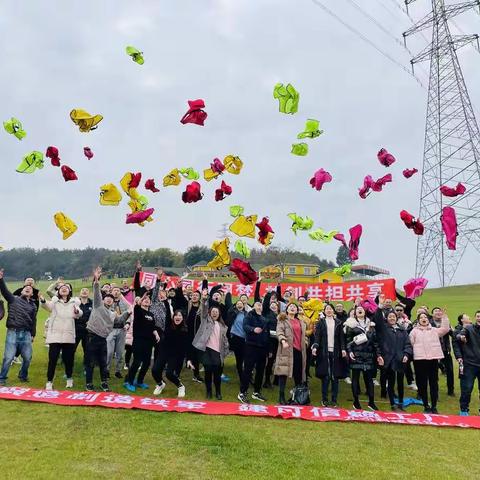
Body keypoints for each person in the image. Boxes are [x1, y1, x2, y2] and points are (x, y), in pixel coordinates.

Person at [85, 267, 131, 392]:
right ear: (103, 299)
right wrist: (96, 279)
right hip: (92, 336)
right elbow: (96, 290)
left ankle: (104, 383)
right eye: (107, 297)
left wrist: (129, 311)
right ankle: (89, 383)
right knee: (90, 362)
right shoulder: (97, 305)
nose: (109, 299)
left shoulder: (112, 313)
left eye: (111, 298)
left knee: (103, 363)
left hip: (103, 339)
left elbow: (120, 320)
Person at [374, 296, 413, 411]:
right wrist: (380, 307)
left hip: (401, 359)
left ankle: (400, 403)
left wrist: (406, 354)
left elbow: (408, 345)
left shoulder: (402, 330)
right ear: (387, 318)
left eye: (393, 317)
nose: (392, 318)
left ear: (396, 318)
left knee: (400, 383)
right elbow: (377, 319)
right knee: (390, 383)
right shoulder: (383, 329)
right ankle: (392, 404)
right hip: (389, 360)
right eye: (390, 316)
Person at [40, 283, 81, 390]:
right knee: (52, 359)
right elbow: (47, 306)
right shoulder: (55, 301)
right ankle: (49, 381)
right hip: (55, 335)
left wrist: (77, 311)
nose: (64, 289)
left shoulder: (74, 301)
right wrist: (43, 300)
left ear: (69, 291)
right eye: (62, 288)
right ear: (58, 291)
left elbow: (78, 313)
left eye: (66, 288)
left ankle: (69, 378)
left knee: (68, 360)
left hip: (68, 335)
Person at [409, 309, 450, 413]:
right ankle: (426, 405)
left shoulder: (434, 330)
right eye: (421, 318)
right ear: (418, 320)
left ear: (428, 319)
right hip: (419, 360)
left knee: (433, 383)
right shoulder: (414, 331)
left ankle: (434, 406)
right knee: (422, 383)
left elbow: (445, 329)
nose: (424, 319)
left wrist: (444, 317)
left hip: (433, 360)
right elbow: (411, 343)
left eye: (426, 317)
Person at [0, 269, 37, 385]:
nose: (27, 288)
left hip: (26, 333)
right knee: (9, 357)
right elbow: (4, 291)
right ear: (21, 291)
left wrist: (33, 334)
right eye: (25, 288)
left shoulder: (33, 306)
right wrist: (1, 279)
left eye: (30, 289)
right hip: (12, 332)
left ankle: (23, 375)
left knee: (27, 357)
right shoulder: (13, 299)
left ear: (31, 294)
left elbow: (34, 321)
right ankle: (2, 378)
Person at [192, 290, 229, 399]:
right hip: (206, 349)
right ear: (210, 313)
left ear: (219, 314)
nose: (214, 313)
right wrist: (203, 299)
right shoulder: (206, 320)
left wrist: (225, 351)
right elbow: (203, 310)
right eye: (212, 311)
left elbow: (225, 341)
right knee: (208, 369)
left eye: (216, 312)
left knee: (217, 373)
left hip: (217, 351)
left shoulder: (223, 326)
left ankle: (218, 392)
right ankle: (209, 392)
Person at [312, 304, 348, 407]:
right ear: (324, 311)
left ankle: (334, 399)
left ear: (333, 311)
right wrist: (315, 346)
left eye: (330, 309)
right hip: (324, 352)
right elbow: (317, 337)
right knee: (326, 377)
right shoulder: (321, 323)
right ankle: (324, 399)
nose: (329, 311)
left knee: (335, 377)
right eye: (327, 309)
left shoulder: (338, 323)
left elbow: (341, 338)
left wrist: (343, 349)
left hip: (336, 352)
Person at [344, 305, 380, 410]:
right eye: (357, 309)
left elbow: (375, 342)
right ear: (355, 312)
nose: (360, 310)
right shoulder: (351, 324)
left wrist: (378, 355)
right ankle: (356, 402)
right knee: (355, 378)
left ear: (365, 312)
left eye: (362, 309)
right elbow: (348, 341)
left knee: (369, 379)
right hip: (356, 354)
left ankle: (371, 402)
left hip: (369, 355)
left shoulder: (371, 324)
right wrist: (350, 351)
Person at [125, 293, 159, 392]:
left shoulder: (151, 314)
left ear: (150, 303)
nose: (147, 300)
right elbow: (137, 306)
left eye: (148, 300)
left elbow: (152, 327)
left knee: (147, 363)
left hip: (149, 341)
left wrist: (156, 333)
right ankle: (129, 382)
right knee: (137, 361)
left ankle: (140, 381)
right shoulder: (138, 310)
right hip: (139, 340)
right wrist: (142, 297)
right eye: (145, 300)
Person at [274, 305, 307, 405]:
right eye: (290, 307)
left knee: (298, 374)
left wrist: (306, 341)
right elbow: (279, 332)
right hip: (287, 350)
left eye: (294, 307)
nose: (293, 308)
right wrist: (283, 341)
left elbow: (303, 335)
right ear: (287, 310)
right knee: (283, 373)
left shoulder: (300, 322)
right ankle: (281, 396)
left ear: (297, 310)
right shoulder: (282, 320)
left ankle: (297, 397)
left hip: (299, 351)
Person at [151, 310, 189, 397]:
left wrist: (187, 358)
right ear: (173, 317)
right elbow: (168, 313)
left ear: (183, 318)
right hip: (164, 351)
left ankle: (180, 386)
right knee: (155, 370)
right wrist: (165, 301)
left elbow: (185, 346)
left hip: (175, 354)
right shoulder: (168, 325)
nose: (177, 317)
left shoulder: (185, 330)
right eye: (176, 315)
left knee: (169, 374)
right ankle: (160, 384)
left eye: (180, 316)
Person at [238, 301, 269, 403]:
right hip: (251, 346)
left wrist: (269, 349)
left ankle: (256, 392)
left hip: (263, 348)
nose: (260, 306)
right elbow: (245, 326)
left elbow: (267, 334)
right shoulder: (249, 315)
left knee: (260, 371)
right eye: (257, 304)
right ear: (253, 306)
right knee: (248, 370)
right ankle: (242, 392)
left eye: (261, 304)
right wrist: (253, 329)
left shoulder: (264, 318)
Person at [456, 311, 480, 415]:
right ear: (475, 318)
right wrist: (461, 337)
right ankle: (464, 409)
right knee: (467, 388)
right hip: (470, 364)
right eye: (478, 316)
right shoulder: (469, 328)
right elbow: (460, 335)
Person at [107, 286, 131, 378]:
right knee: (109, 352)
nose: (116, 292)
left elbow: (129, 313)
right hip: (111, 329)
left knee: (120, 352)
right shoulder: (108, 302)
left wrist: (128, 323)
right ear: (111, 292)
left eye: (118, 290)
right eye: (114, 290)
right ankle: (107, 370)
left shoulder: (124, 303)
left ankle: (118, 371)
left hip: (122, 329)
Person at [431, 306, 455, 396]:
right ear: (432, 314)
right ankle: (435, 391)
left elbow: (453, 334)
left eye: (439, 311)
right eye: (435, 311)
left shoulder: (446, 323)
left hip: (445, 350)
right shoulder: (429, 323)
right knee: (433, 372)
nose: (438, 312)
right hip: (433, 351)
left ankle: (451, 390)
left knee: (450, 371)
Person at [226, 298, 247, 382]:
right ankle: (242, 378)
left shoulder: (247, 314)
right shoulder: (232, 313)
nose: (239, 304)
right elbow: (228, 321)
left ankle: (248, 377)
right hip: (236, 339)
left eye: (241, 303)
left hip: (246, 340)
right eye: (237, 304)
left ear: (244, 305)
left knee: (247, 359)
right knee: (239, 359)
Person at [75, 288, 92, 369]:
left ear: (89, 293)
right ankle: (69, 369)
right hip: (76, 329)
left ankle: (86, 367)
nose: (84, 291)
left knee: (87, 350)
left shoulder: (92, 303)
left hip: (88, 330)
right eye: (82, 290)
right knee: (71, 350)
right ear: (79, 293)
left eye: (86, 290)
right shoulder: (75, 303)